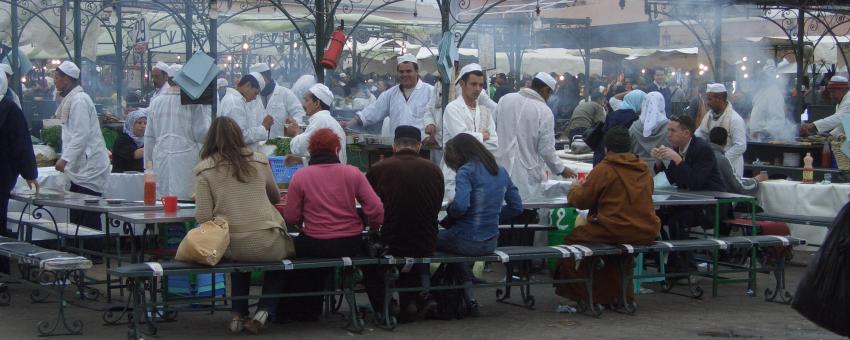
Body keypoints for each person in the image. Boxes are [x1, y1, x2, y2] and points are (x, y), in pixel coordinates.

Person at [193, 117, 293, 334]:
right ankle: (264, 311)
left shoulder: (204, 170)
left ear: (210, 140)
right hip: (269, 239)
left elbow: (203, 217)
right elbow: (275, 196)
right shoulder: (259, 160)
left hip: (232, 244)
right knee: (280, 258)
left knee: (239, 253)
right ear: (239, 136)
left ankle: (237, 314)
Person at [281, 128, 384, 322]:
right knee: (372, 262)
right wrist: (374, 229)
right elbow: (376, 208)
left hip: (315, 243)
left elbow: (292, 216)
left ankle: (306, 311)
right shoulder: (352, 173)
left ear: (311, 151)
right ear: (337, 149)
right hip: (350, 241)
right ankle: (382, 308)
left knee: (302, 260)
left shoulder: (301, 176)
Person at [554, 127, 660, 307]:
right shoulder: (643, 169)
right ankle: (618, 296)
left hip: (614, 229)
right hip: (645, 231)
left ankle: (583, 294)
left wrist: (574, 188)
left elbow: (581, 200)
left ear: (607, 148)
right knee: (619, 255)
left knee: (572, 243)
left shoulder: (605, 169)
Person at [363, 125, 444, 322]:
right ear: (418, 147)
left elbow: (368, 206)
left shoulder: (378, 169)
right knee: (413, 246)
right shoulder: (434, 170)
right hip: (426, 242)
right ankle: (412, 300)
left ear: (394, 146)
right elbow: (437, 205)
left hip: (391, 241)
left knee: (367, 260)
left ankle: (386, 307)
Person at [439, 133, 523, 316]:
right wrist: (493, 215)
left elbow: (461, 206)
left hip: (466, 240)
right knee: (456, 253)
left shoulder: (466, 171)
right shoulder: (500, 171)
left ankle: (424, 292)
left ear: (459, 156)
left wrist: (451, 210)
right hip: (490, 241)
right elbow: (517, 207)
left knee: (427, 240)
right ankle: (469, 297)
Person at [652, 115, 725, 274]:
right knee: (653, 217)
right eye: (668, 130)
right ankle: (664, 262)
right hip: (689, 203)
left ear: (687, 133)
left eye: (673, 130)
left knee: (677, 221)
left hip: (710, 205)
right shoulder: (679, 149)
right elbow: (670, 180)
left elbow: (696, 182)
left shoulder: (702, 149)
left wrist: (678, 160)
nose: (669, 134)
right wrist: (658, 162)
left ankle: (684, 269)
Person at [495, 72, 576, 202]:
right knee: (524, 213)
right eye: (550, 93)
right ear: (545, 90)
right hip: (525, 178)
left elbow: (493, 129)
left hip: (499, 170)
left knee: (500, 214)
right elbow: (546, 150)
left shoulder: (505, 100)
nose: (549, 97)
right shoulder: (544, 111)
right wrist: (561, 169)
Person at [53, 61, 110, 229]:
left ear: (66, 80)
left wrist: (64, 159)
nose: (54, 81)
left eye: (56, 78)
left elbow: (81, 135)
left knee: (89, 215)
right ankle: (78, 248)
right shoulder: (72, 99)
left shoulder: (79, 101)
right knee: (78, 214)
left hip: (89, 167)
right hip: (80, 168)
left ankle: (94, 253)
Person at [143, 65, 211, 200]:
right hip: (186, 162)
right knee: (186, 203)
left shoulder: (156, 102)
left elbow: (149, 137)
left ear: (169, 79)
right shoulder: (193, 102)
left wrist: (148, 167)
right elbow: (201, 133)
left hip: (161, 160)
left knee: (164, 203)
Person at [436, 64, 498, 199]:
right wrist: (481, 136)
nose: (478, 89)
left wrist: (473, 139)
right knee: (456, 209)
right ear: (462, 84)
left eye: (481, 85)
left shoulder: (485, 112)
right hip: (455, 170)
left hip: (480, 173)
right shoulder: (452, 109)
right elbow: (461, 139)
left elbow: (494, 143)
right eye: (473, 84)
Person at [0, 73, 38, 278]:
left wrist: (30, 172)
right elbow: (21, 144)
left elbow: (20, 144)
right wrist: (30, 173)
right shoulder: (10, 109)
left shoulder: (10, 110)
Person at [346, 54, 434, 136]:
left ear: (416, 71)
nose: (405, 74)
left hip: (423, 147)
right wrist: (350, 123)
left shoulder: (430, 91)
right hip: (397, 147)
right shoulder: (390, 94)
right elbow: (373, 110)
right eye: (401, 72)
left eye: (408, 71)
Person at [285, 83, 347, 163]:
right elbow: (320, 156)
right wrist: (301, 160)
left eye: (307, 100)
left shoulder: (320, 120)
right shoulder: (329, 120)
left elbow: (301, 148)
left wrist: (295, 133)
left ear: (317, 103)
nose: (304, 105)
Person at [695, 83, 747, 178]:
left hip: (731, 166)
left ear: (720, 98)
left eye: (710, 99)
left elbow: (741, 146)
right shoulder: (709, 116)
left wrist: (721, 160)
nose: (707, 102)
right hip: (712, 165)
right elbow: (699, 134)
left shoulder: (735, 119)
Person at [801, 76, 850, 171]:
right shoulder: (841, 103)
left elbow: (839, 118)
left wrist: (813, 124)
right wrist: (830, 135)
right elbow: (844, 124)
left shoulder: (848, 101)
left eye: (833, 92)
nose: (831, 96)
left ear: (843, 90)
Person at [248, 63, 306, 138]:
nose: (252, 85)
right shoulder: (250, 97)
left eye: (254, 82)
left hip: (279, 147)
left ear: (264, 78)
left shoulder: (286, 93)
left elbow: (305, 117)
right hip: (256, 146)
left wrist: (293, 121)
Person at [219, 72, 274, 150]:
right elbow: (240, 136)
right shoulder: (235, 103)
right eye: (255, 93)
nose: (255, 98)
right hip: (235, 155)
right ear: (247, 86)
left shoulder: (236, 100)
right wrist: (263, 127)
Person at [709, 127, 767, 195]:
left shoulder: (702, 154)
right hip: (717, 202)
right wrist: (756, 180)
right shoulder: (722, 160)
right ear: (726, 141)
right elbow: (740, 188)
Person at [593, 90, 645, 165]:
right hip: (617, 160)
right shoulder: (634, 119)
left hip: (601, 155)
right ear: (638, 103)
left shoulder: (613, 114)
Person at [629, 91, 670, 173]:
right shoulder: (670, 127)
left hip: (638, 170)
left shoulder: (634, 127)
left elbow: (629, 150)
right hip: (664, 172)